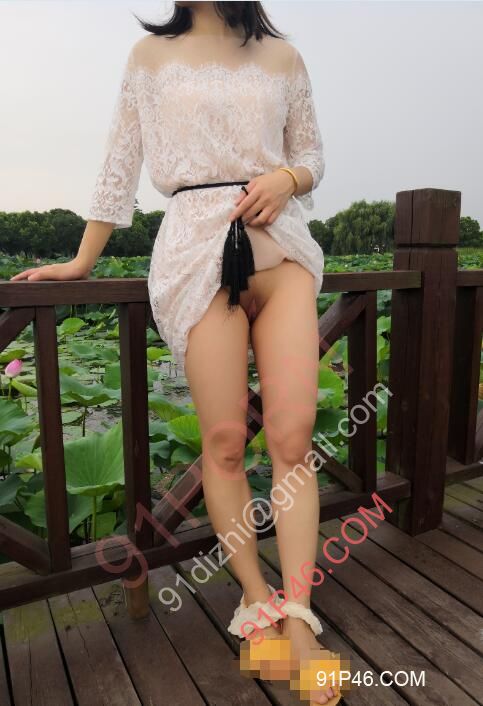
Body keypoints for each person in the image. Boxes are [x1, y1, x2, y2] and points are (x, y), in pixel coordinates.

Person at [11, 2, 341, 704]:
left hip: (282, 251)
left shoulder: (283, 56)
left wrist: (288, 179)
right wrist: (81, 262)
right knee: (223, 442)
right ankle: (256, 603)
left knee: (291, 438)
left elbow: (311, 154)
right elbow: (119, 163)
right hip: (194, 255)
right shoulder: (149, 58)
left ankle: (299, 615)